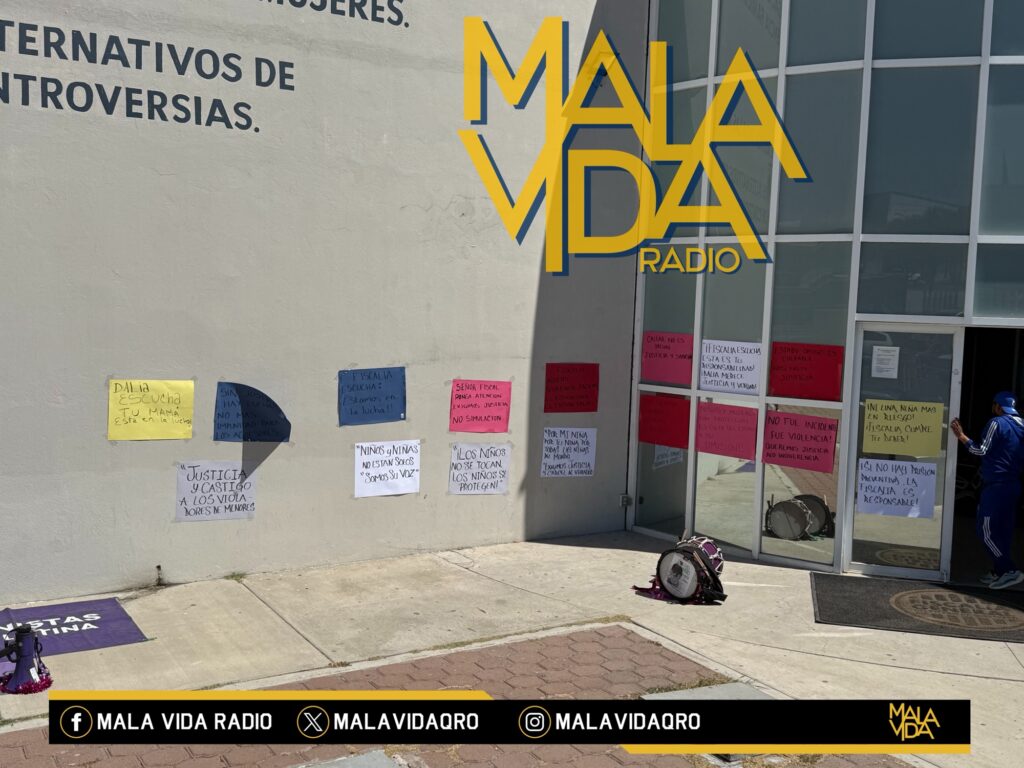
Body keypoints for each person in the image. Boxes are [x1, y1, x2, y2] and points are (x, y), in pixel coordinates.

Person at [951, 391, 1024, 590]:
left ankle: (1009, 570)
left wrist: (961, 436)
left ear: (998, 406)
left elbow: (980, 450)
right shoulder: (1022, 425)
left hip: (996, 486)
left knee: (985, 531)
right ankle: (999, 571)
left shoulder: (996, 423)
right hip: (1013, 485)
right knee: (1003, 531)